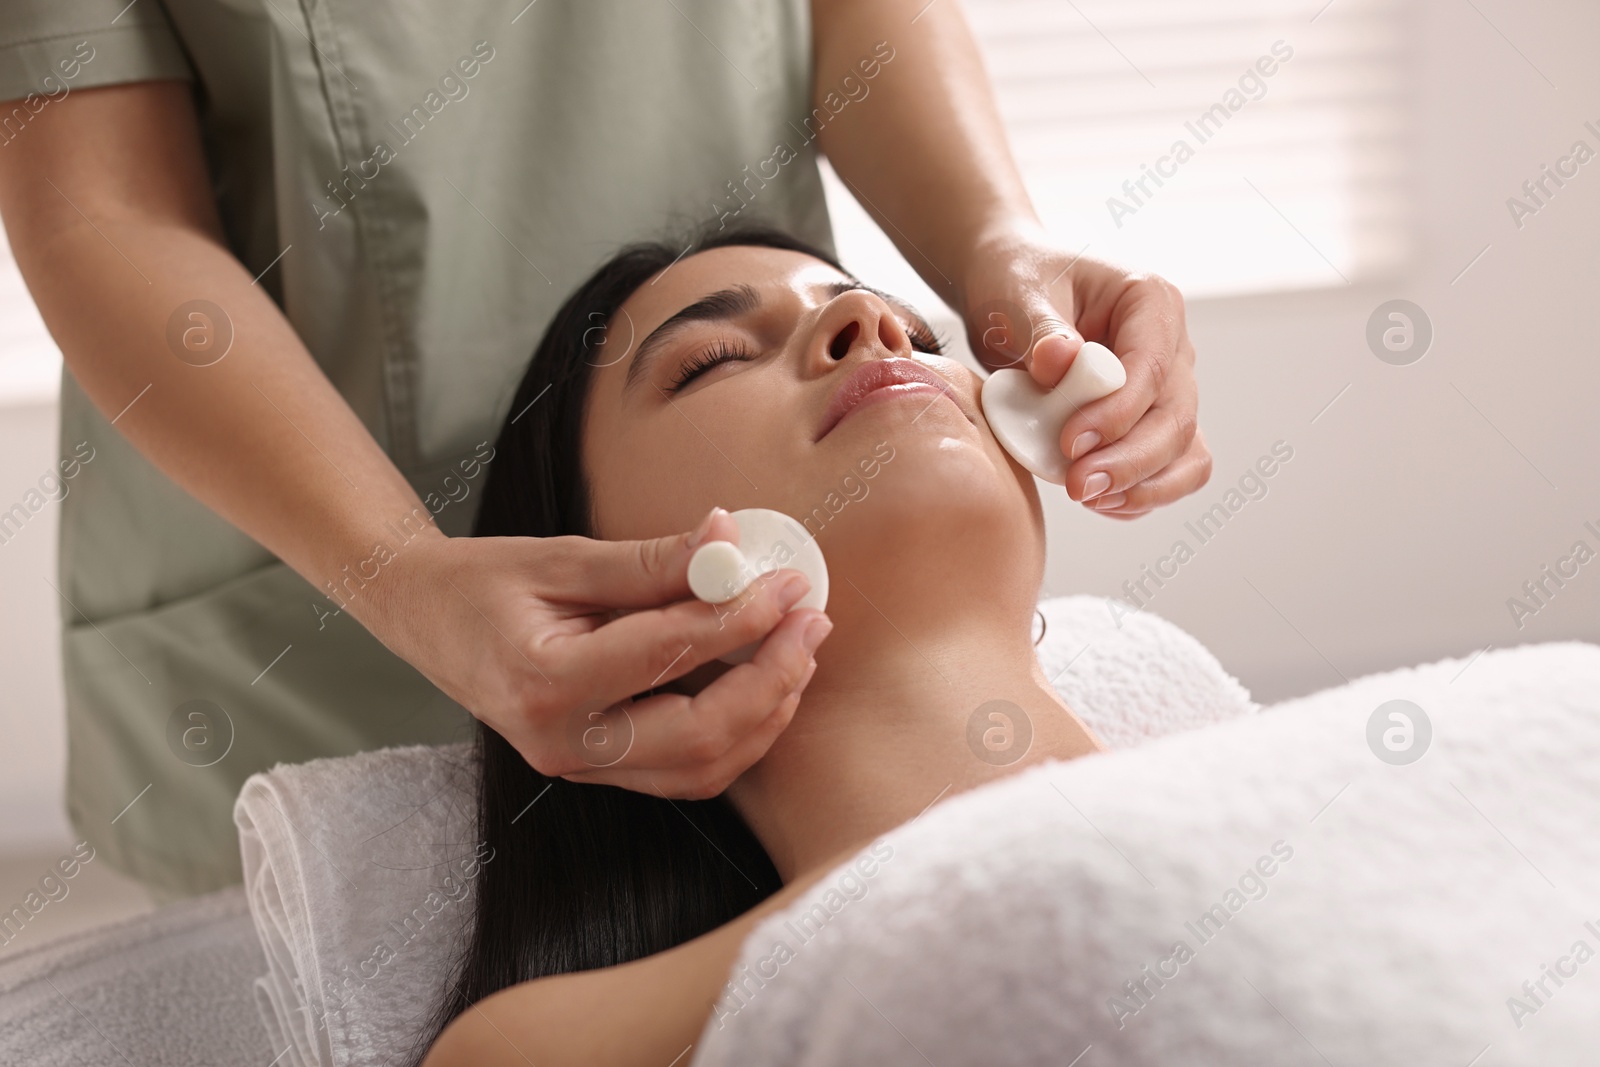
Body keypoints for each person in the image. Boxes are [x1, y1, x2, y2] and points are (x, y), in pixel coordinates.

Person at [0, 0, 1210, 901]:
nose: (873, 321)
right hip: (299, 631)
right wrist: (398, 570)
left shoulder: (1269, 799)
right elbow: (102, 206)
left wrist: (999, 243)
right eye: (708, 360)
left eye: (896, 317)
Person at [412, 225, 1108, 1066]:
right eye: (714, 360)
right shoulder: (528, 1049)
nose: (870, 319)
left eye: (920, 336)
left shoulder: (1295, 783)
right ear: (588, 619)